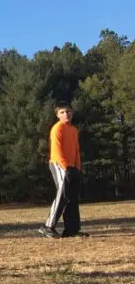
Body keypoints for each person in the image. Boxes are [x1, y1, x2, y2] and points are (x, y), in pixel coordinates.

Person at [39, 102, 85, 238]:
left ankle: (72, 230)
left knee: (72, 197)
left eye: (68, 111)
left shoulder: (74, 130)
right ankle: (47, 226)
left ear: (72, 113)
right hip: (59, 164)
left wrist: (77, 167)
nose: (66, 114)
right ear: (57, 115)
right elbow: (57, 150)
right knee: (62, 194)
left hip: (72, 167)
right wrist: (66, 167)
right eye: (62, 112)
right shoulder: (57, 128)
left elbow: (76, 150)